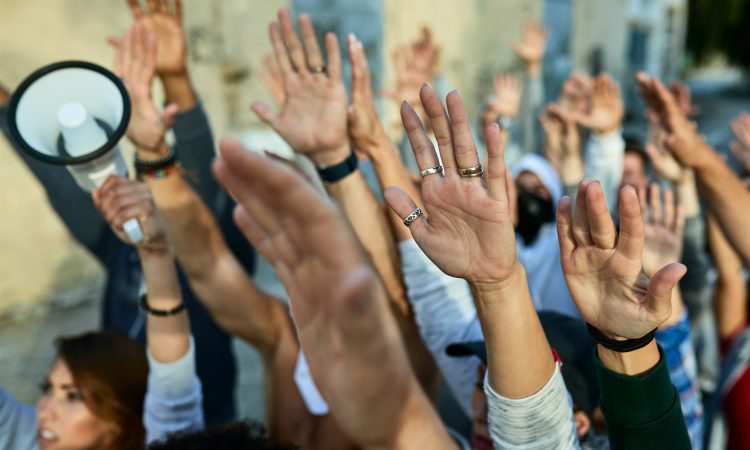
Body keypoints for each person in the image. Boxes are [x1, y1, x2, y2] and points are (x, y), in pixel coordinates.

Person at [114, 18, 359, 449]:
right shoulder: (287, 335)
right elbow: (207, 264)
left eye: (305, 215)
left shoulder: (399, 330)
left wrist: (333, 157)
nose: (292, 235)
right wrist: (153, 154)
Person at [0, 0, 243, 426]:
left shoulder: (217, 258)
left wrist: (175, 79)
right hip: (113, 424)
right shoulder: (115, 242)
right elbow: (48, 165)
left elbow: (198, 183)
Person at [0, 166, 203, 450]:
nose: (45, 411)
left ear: (117, 419)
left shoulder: (166, 442)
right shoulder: (28, 438)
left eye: (73, 397)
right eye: (47, 390)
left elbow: (174, 388)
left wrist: (155, 251)